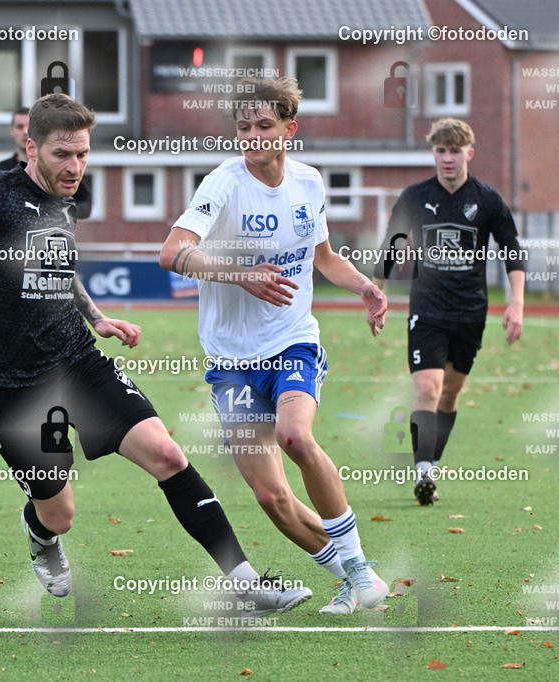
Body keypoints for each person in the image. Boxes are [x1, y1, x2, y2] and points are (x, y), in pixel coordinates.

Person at [0, 93, 310, 616]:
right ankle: (39, 534)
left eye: (83, 154)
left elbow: (57, 270)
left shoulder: (64, 200)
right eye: (63, 154)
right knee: (59, 513)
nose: (75, 166)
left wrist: (98, 319)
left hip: (77, 359)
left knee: (168, 455)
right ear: (31, 147)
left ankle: (245, 585)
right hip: (12, 381)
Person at [159, 77, 390, 616]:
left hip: (292, 342)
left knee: (295, 436)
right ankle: (357, 578)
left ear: (290, 128)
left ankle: (356, 569)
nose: (253, 136)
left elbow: (323, 256)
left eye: (265, 126)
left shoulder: (308, 183)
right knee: (271, 498)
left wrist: (366, 287)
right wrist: (242, 275)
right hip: (230, 364)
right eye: (244, 127)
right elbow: (172, 253)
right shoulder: (222, 184)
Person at [372, 117, 525, 506]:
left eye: (455, 151)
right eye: (440, 150)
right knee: (427, 388)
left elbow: (512, 250)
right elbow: (391, 247)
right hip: (427, 308)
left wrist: (517, 304)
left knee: (450, 396)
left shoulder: (487, 200)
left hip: (471, 312)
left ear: (469, 153)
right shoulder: (414, 196)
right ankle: (422, 473)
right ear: (434, 154)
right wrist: (377, 291)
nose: (447, 158)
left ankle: (431, 465)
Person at [0, 107, 92, 219]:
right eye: (20, 126)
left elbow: (85, 204)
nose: (25, 132)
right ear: (12, 130)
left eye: (29, 127)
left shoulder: (56, 166)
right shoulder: (2, 169)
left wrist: (61, 212)